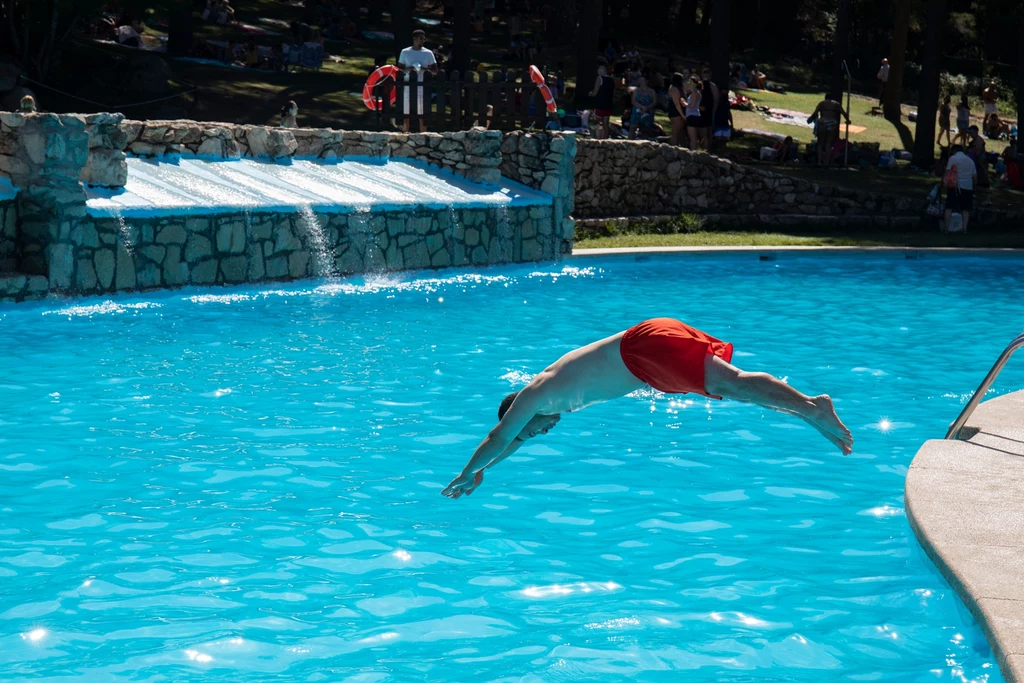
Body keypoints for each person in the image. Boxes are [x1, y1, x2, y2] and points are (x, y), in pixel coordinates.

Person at [441, 317, 854, 498]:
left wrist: (465, 471)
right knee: (735, 390)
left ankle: (812, 407)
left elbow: (501, 436)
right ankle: (807, 411)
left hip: (644, 352)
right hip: (646, 361)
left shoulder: (537, 394)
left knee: (734, 384)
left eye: (532, 430)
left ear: (523, 416)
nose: (542, 433)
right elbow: (511, 443)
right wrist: (483, 470)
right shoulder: (550, 400)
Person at [397, 29, 438, 132]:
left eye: (423, 39)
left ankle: (422, 132)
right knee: (406, 108)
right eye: (420, 38)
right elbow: (399, 69)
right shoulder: (405, 52)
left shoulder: (428, 53)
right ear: (414, 39)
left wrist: (424, 69)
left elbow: (435, 70)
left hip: (421, 84)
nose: (422, 41)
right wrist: (409, 69)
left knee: (422, 110)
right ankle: (405, 130)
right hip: (407, 83)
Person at [944, 144, 977, 233]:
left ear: (954, 151)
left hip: (955, 186)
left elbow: (947, 171)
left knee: (949, 207)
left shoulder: (953, 158)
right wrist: (974, 187)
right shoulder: (970, 161)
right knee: (965, 209)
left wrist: (943, 183)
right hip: (968, 186)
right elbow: (974, 176)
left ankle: (946, 228)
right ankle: (964, 228)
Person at [808, 95, 849, 166]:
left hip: (823, 122)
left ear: (825, 98)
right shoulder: (836, 104)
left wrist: (810, 119)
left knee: (820, 144)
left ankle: (819, 162)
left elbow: (815, 113)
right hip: (832, 123)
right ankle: (826, 163)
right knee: (828, 144)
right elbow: (844, 113)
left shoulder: (822, 103)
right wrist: (848, 120)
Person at [589, 63, 615, 140]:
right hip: (608, 104)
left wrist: (590, 94)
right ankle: (606, 139)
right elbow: (614, 92)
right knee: (605, 124)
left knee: (593, 122)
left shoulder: (599, 79)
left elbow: (595, 92)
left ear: (600, 72)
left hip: (600, 104)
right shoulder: (612, 80)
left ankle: (593, 138)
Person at [683, 77, 703, 150]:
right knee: (693, 137)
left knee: (692, 138)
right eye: (689, 83)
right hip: (695, 115)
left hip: (692, 116)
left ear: (695, 84)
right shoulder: (695, 92)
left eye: (691, 83)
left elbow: (693, 105)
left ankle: (693, 153)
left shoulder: (694, 92)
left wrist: (685, 104)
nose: (689, 85)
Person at [712, 86, 733, 152]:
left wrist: (731, 122)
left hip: (725, 122)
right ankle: (717, 150)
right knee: (718, 139)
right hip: (718, 122)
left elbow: (729, 113)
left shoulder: (726, 102)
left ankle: (723, 151)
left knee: (724, 139)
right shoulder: (716, 102)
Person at [667, 72, 686, 146]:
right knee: (675, 132)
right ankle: (673, 148)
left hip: (677, 113)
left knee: (680, 132)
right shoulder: (674, 89)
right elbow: (677, 104)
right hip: (676, 113)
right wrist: (683, 115)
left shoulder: (676, 88)